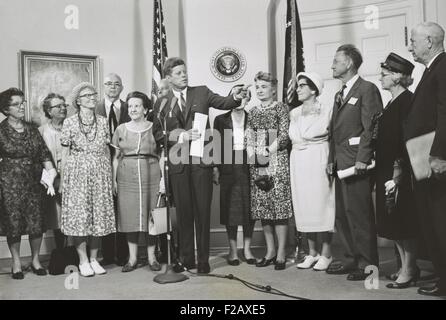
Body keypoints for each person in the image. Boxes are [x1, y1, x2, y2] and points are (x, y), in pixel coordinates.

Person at [152, 57, 247, 274]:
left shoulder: (202, 92)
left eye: (184, 71)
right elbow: (158, 134)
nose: (183, 75)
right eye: (178, 73)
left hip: (201, 163)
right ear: (168, 77)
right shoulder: (161, 102)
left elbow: (224, 102)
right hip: (178, 165)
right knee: (184, 214)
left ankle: (203, 261)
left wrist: (235, 96)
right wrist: (181, 135)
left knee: (202, 213)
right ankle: (187, 259)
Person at [325, 44, 383, 281]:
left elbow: (372, 127)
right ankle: (350, 259)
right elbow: (334, 132)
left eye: (336, 61)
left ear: (349, 63)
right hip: (341, 164)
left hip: (357, 164)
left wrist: (363, 158)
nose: (332, 65)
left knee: (359, 216)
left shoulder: (367, 89)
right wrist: (331, 160)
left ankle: (368, 265)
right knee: (343, 215)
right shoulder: (340, 93)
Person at [405, 22, 446, 297]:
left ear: (429, 41)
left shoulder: (443, 67)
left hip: (435, 160)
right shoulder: (432, 69)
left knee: (440, 221)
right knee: (432, 222)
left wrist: (439, 154)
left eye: (413, 41)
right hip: (424, 158)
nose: (411, 46)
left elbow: (445, 113)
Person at [374, 53, 420, 289]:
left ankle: (410, 268)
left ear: (398, 77)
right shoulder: (392, 102)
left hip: (398, 170)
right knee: (393, 222)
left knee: (402, 220)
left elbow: (407, 139)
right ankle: (405, 265)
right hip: (386, 168)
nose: (380, 78)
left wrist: (398, 174)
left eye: (384, 75)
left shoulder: (407, 102)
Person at [60, 82, 116, 277]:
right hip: (77, 175)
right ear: (78, 101)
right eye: (87, 95)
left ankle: (94, 258)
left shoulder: (102, 121)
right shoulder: (69, 122)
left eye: (94, 94)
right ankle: (83, 260)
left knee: (99, 217)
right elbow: (65, 153)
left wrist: (110, 176)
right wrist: (64, 180)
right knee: (81, 218)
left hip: (100, 174)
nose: (92, 97)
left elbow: (107, 151)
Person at [0, 87, 57, 279]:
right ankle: (16, 262)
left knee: (36, 221)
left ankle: (35, 260)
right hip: (9, 183)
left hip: (34, 182)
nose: (21, 106)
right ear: (6, 109)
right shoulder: (1, 130)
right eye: (16, 104)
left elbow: (43, 153)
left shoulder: (32, 129)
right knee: (13, 223)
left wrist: (51, 172)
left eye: (22, 102)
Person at [246, 71, 293, 271]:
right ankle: (270, 251)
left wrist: (268, 150)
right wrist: (252, 153)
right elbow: (249, 134)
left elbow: (284, 136)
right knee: (264, 208)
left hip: (277, 160)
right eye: (257, 87)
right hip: (258, 161)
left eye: (264, 87)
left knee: (278, 208)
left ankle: (281, 252)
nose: (260, 90)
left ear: (273, 89)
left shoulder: (281, 108)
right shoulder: (253, 111)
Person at [289, 72, 335, 271]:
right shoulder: (294, 113)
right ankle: (312, 252)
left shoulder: (327, 110)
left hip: (319, 158)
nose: (297, 89)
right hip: (299, 161)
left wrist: (331, 161)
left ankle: (327, 254)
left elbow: (333, 137)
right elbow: (293, 137)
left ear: (314, 89)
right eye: (297, 86)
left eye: (302, 86)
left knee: (323, 205)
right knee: (304, 206)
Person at [111, 91, 162, 272]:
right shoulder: (121, 129)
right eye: (130, 106)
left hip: (152, 173)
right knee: (129, 216)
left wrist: (163, 179)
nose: (132, 109)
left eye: (137, 105)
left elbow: (162, 154)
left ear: (145, 108)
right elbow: (116, 158)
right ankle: (132, 259)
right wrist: (114, 180)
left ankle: (151, 257)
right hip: (127, 176)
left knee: (152, 216)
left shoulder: (154, 127)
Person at [213, 85, 256, 266]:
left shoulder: (254, 118)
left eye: (244, 96)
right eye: (236, 95)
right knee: (230, 209)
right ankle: (233, 251)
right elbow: (215, 145)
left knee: (249, 210)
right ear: (230, 97)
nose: (240, 98)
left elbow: (261, 143)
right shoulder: (220, 119)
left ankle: (247, 248)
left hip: (249, 166)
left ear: (248, 99)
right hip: (228, 167)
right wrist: (215, 168)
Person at [96, 73, 130, 266]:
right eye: (109, 84)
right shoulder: (95, 109)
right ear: (104, 86)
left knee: (122, 209)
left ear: (122, 88)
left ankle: (124, 254)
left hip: (124, 163)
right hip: (101, 164)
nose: (112, 87)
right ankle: (107, 255)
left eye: (117, 84)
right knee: (106, 208)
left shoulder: (129, 107)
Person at [38, 93, 68, 250]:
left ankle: (76, 253)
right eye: (58, 106)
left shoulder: (72, 127)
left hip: (72, 177)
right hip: (52, 179)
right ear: (49, 111)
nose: (63, 108)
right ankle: (61, 252)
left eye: (64, 105)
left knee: (73, 214)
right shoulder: (41, 131)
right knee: (57, 216)